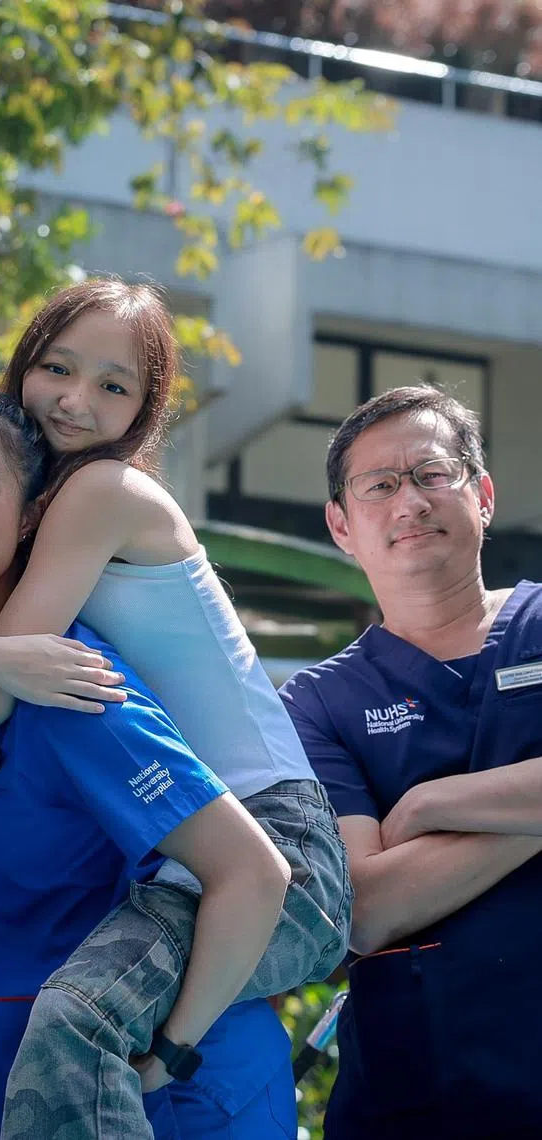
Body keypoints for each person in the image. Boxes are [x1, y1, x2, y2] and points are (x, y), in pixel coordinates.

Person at [0, 279, 351, 1138]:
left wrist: (176, 1046)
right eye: (57, 368)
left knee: (77, 1022)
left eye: (113, 387)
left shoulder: (98, 492)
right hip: (178, 847)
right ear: (21, 369)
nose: (75, 401)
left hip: (276, 845)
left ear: (145, 411)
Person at [279, 385, 542, 1139]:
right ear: (341, 524)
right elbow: (367, 908)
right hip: (419, 1093)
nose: (410, 502)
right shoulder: (319, 703)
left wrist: (432, 805)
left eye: (433, 475)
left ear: (482, 495)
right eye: (380, 486)